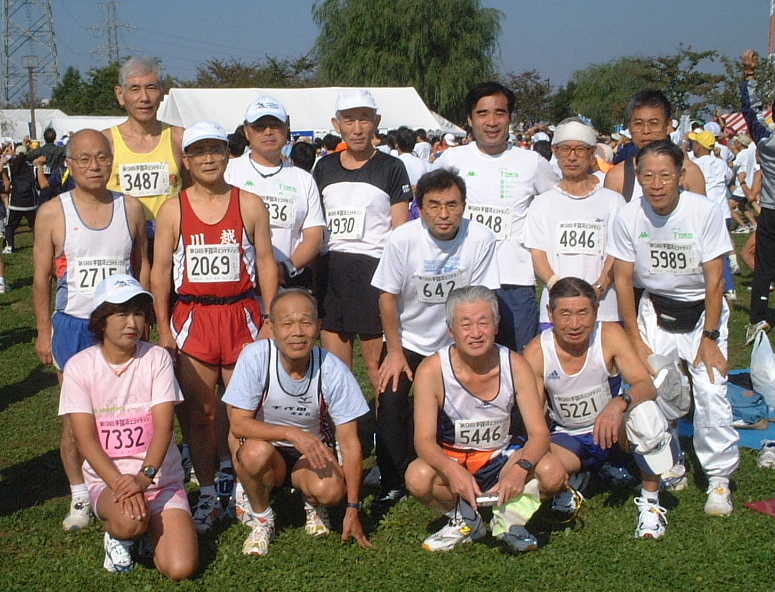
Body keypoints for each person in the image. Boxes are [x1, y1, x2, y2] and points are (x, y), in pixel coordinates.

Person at [151, 121, 279, 533]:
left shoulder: (250, 203)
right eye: (199, 152)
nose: (208, 159)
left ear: (227, 155)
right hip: (194, 319)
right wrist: (164, 328)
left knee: (242, 413)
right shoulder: (173, 210)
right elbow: (160, 272)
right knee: (201, 413)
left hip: (241, 315)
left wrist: (270, 318)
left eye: (215, 150)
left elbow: (266, 262)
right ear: (186, 160)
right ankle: (207, 492)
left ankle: (240, 485)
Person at [608, 140, 739, 515]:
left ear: (681, 175)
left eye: (665, 175)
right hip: (655, 310)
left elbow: (716, 280)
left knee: (710, 390)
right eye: (648, 175)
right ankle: (670, 462)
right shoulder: (628, 216)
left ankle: (718, 478)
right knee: (656, 389)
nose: (656, 184)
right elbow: (623, 280)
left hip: (702, 312)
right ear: (638, 175)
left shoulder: (702, 211)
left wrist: (710, 338)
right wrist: (635, 339)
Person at [32, 129, 149, 531]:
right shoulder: (53, 212)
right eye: (84, 159)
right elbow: (41, 278)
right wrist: (43, 331)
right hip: (74, 326)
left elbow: (142, 266)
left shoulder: (130, 208)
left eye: (101, 157)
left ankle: (131, 479)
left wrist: (143, 317)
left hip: (122, 325)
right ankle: (79, 492)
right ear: (69, 164)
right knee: (75, 419)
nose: (94, 166)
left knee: (128, 409)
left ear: (112, 161)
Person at [370, 168, 500, 508]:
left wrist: (469, 348)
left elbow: (481, 297)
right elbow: (387, 297)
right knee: (391, 399)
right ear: (420, 207)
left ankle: (476, 462)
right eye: (434, 205)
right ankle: (393, 478)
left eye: (452, 205)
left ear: (464, 206)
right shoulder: (402, 239)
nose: (444, 214)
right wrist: (394, 352)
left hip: (458, 340)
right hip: (408, 338)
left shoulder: (481, 238)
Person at [58, 274, 197, 579]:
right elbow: (85, 439)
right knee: (129, 521)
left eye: (138, 313)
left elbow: (164, 428)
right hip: (109, 482)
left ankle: (147, 533)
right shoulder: (79, 367)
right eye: (121, 314)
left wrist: (144, 479)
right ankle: (121, 536)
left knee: (180, 568)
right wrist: (122, 484)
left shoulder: (157, 358)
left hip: (160, 480)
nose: (132, 323)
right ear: (101, 321)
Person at [525, 278, 678, 539]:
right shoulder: (537, 352)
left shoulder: (609, 335)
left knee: (646, 415)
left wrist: (619, 403)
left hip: (615, 432)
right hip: (568, 437)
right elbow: (535, 419)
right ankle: (575, 478)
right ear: (550, 314)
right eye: (565, 314)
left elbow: (645, 385)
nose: (575, 324)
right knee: (540, 474)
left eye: (583, 313)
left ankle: (651, 503)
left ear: (596, 311)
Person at [404, 286, 554, 553]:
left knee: (552, 473)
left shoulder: (516, 365)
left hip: (502, 457)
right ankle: (464, 519)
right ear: (451, 330)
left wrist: (520, 469)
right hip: (455, 459)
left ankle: (509, 519)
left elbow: (539, 434)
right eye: (466, 325)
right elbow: (423, 440)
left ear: (496, 325)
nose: (475, 333)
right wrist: (452, 471)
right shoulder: (432, 370)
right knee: (417, 477)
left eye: (484, 323)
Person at [222, 289, 371, 556]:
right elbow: (239, 425)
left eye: (306, 322)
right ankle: (262, 518)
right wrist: (291, 433)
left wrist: (352, 507)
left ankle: (312, 502)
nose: (298, 332)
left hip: (310, 453)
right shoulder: (255, 357)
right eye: (287, 323)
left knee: (330, 491)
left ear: (319, 326)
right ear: (271, 327)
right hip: (267, 449)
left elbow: (350, 444)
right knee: (253, 453)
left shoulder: (333, 369)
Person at [436, 82, 559, 353]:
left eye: (499, 113)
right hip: (464, 278)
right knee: (464, 358)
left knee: (519, 360)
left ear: (510, 118)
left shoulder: (531, 162)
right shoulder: (450, 159)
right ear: (470, 119)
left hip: (514, 281)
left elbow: (556, 205)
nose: (491, 122)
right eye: (482, 113)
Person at [313, 89, 412, 396]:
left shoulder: (391, 167)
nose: (357, 128)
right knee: (335, 369)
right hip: (331, 272)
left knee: (376, 368)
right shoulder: (324, 167)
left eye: (364, 119)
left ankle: (384, 424)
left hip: (374, 272)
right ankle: (343, 426)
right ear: (336, 124)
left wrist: (395, 278)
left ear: (376, 122)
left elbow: (400, 229)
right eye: (349, 120)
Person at [525, 118, 626, 329]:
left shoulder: (613, 202)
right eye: (565, 149)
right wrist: (558, 288)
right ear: (555, 152)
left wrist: (599, 287)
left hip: (604, 309)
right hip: (555, 311)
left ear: (592, 154)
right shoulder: (542, 204)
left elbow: (617, 253)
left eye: (580, 149)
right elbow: (538, 254)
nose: (572, 157)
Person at [225, 96, 325, 291]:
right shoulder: (228, 172)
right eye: (259, 126)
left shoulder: (304, 179)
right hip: (238, 287)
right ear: (246, 131)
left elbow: (313, 236)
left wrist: (284, 270)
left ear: (286, 128)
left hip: (287, 286)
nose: (268, 132)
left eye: (275, 125)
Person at [103, 56, 185, 237]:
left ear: (162, 93)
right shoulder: (105, 142)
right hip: (121, 240)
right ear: (120, 94)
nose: (144, 98)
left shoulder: (179, 138)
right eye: (135, 89)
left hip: (171, 240)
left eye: (151, 88)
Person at [605, 90, 706, 202]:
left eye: (653, 123)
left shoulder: (690, 173)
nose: (646, 131)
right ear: (629, 127)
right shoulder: (618, 177)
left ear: (667, 125)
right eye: (638, 123)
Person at [739, 49, 775, 344]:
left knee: (764, 266)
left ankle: (758, 318)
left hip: (771, 211)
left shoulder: (766, 141)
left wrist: (749, 74)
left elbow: (751, 110)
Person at [687, 130, 737, 301]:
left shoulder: (695, 165)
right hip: (724, 212)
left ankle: (715, 286)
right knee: (721, 252)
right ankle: (729, 288)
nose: (692, 146)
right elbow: (729, 177)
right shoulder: (720, 163)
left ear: (700, 146)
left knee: (706, 253)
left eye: (694, 143)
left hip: (706, 213)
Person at [2, 146, 39, 254]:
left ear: (16, 154)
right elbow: (36, 183)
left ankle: (9, 246)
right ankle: (38, 244)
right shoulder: (33, 167)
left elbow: (7, 185)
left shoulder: (11, 167)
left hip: (16, 201)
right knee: (34, 226)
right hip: (30, 202)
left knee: (10, 226)